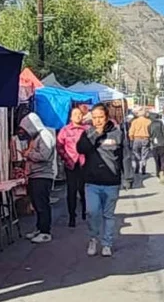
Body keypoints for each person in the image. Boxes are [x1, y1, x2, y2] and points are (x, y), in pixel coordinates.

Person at [78, 103, 124, 257]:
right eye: (95, 118)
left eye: (101, 117)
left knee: (108, 215)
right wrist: (95, 134)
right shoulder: (88, 133)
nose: (97, 121)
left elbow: (125, 155)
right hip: (92, 182)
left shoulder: (117, 133)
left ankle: (107, 243)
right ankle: (93, 238)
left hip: (111, 181)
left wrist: (128, 177)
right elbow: (81, 148)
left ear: (107, 117)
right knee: (92, 211)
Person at [19, 112, 58, 244]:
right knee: (37, 204)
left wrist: (28, 154)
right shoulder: (36, 137)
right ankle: (40, 228)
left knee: (42, 204)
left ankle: (45, 232)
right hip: (35, 175)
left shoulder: (45, 135)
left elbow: (44, 155)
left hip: (42, 176)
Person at [57, 108, 89, 227]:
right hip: (70, 164)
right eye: (75, 114)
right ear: (70, 117)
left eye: (80, 114)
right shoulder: (64, 130)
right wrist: (66, 158)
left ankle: (86, 211)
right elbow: (59, 146)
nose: (78, 116)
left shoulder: (87, 130)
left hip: (84, 164)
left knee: (84, 189)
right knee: (71, 191)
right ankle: (72, 216)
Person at [128, 110, 153, 178]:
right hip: (145, 138)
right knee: (144, 153)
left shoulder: (135, 121)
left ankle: (137, 166)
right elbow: (151, 131)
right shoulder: (149, 121)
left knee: (136, 152)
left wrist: (131, 139)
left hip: (136, 138)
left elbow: (131, 131)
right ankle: (143, 164)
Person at [149, 111, 164, 179]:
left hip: (154, 145)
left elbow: (149, 136)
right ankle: (162, 171)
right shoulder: (160, 123)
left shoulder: (149, 125)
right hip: (162, 143)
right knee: (163, 159)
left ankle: (158, 173)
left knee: (157, 161)